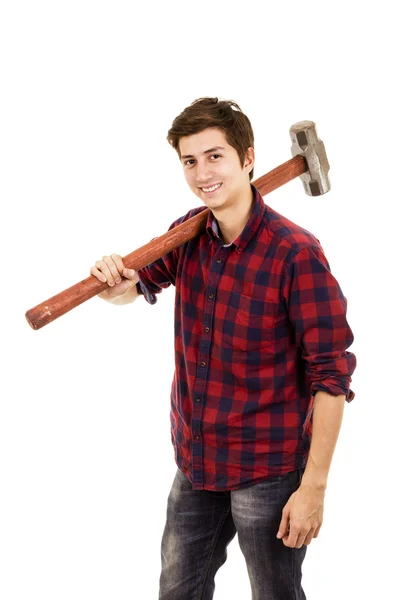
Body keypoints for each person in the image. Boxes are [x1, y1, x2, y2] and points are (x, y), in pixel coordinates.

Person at [90, 97, 357, 600]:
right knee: (177, 592)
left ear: (247, 158)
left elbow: (332, 377)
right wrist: (113, 285)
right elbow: (136, 286)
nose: (202, 173)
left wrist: (313, 487)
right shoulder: (189, 232)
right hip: (197, 460)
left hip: (269, 469)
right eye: (189, 161)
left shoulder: (296, 254)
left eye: (215, 156)